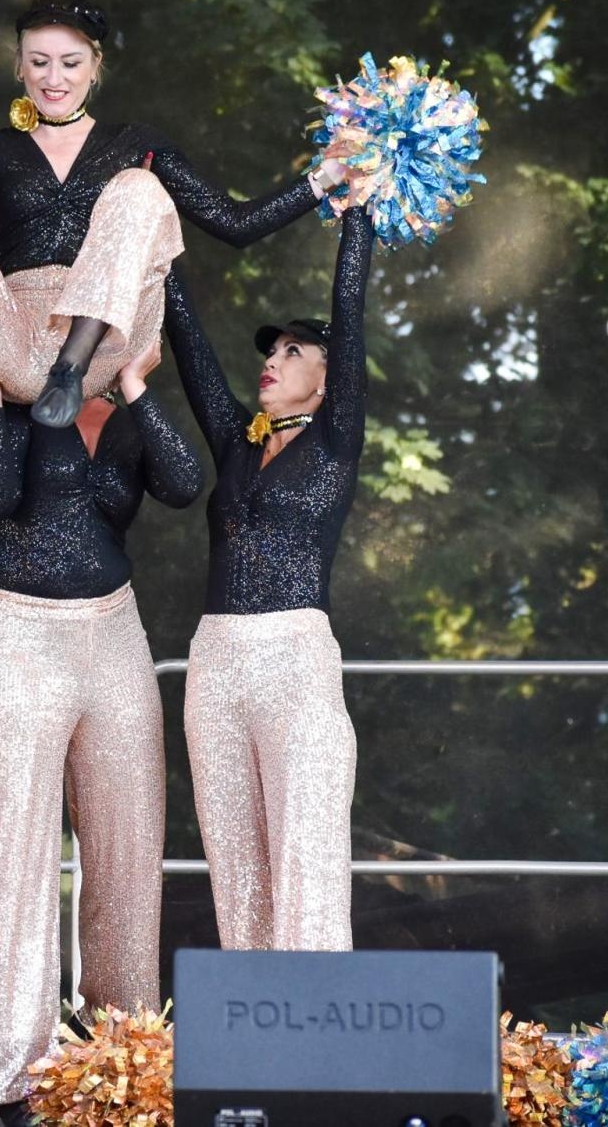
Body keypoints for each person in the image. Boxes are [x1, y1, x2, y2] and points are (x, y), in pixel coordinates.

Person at [0, 0, 348, 464]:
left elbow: (234, 224)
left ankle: (70, 366)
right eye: (39, 61)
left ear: (95, 67)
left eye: (70, 63)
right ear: (19, 65)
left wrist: (327, 177)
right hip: (6, 337)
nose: (54, 78)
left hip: (103, 346)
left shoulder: (136, 143)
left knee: (139, 185)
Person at [0, 339, 202, 1126]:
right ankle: (7, 1078)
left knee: (129, 848)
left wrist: (134, 388)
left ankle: (120, 1055)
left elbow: (185, 484)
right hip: (13, 627)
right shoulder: (11, 404)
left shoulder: (125, 412)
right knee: (13, 852)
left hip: (113, 630)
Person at [162, 210, 375, 953]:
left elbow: (350, 314)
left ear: (327, 380)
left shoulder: (337, 438)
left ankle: (314, 1037)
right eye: (272, 351)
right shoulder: (236, 441)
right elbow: (189, 349)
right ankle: (248, 1036)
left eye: (294, 352)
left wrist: (360, 216)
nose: (275, 361)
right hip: (216, 658)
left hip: (295, 653)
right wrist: (159, 249)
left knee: (304, 852)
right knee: (235, 860)